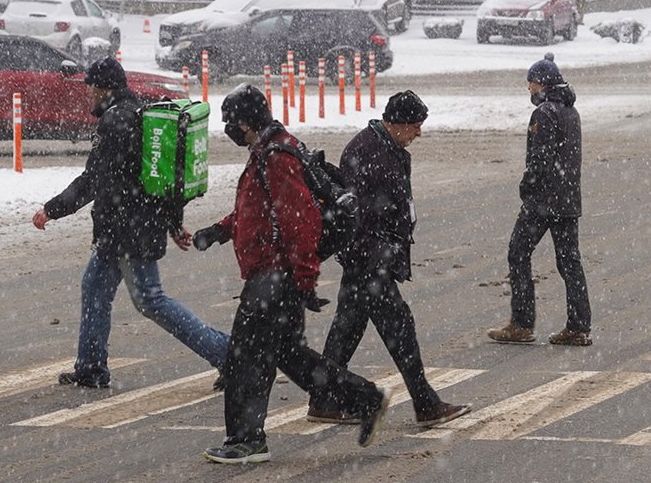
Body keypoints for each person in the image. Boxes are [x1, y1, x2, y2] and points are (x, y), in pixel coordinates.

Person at [192, 85, 390, 465]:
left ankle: (246, 441)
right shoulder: (271, 149)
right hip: (276, 273)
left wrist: (304, 278)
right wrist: (220, 231)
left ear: (247, 123)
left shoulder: (275, 156)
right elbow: (260, 211)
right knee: (291, 355)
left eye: (230, 122)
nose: (227, 129)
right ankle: (367, 400)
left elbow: (301, 220)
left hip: (274, 275)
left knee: (245, 357)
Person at [31, 57, 229, 390]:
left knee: (151, 300)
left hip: (126, 230)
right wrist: (171, 221)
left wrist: (53, 209)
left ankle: (227, 353)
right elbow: (156, 178)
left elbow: (94, 179)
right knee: (94, 289)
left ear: (102, 87)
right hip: (129, 227)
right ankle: (91, 367)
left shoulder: (115, 122)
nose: (89, 94)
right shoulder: (138, 113)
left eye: (91, 88)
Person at [309, 90, 471, 429]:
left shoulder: (391, 149)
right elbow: (357, 215)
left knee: (348, 327)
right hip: (368, 258)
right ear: (396, 124)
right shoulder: (366, 152)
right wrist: (378, 255)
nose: (419, 132)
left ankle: (323, 399)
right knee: (400, 329)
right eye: (414, 126)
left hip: (372, 256)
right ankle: (425, 403)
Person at [488, 54, 591, 346]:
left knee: (518, 252)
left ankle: (521, 323)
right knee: (570, 262)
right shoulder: (572, 111)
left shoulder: (544, 114)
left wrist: (527, 187)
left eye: (531, 84)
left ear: (542, 84)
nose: (529, 90)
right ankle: (579, 326)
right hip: (569, 200)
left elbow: (540, 161)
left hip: (544, 201)